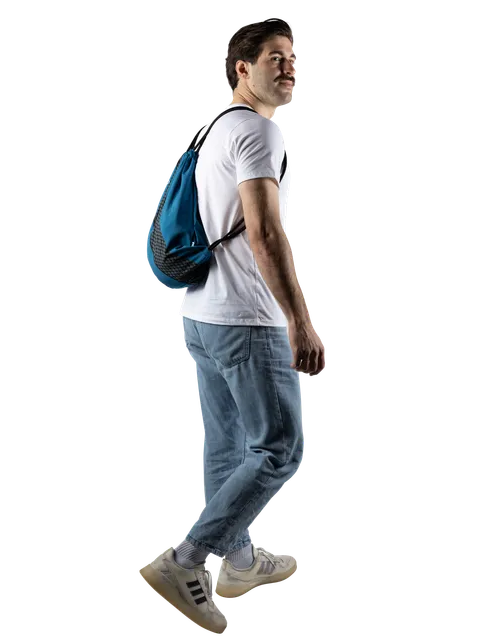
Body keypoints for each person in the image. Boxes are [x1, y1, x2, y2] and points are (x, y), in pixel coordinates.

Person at [138, 18, 327, 635]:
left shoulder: (217, 125)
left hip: (202, 313)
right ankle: (186, 561)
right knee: (280, 448)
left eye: (292, 57)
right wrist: (300, 323)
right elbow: (266, 233)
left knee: (229, 448)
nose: (288, 66)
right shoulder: (258, 131)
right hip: (246, 318)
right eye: (274, 57)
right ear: (241, 68)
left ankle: (239, 561)